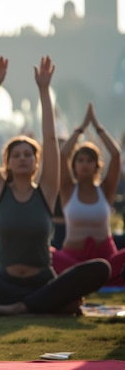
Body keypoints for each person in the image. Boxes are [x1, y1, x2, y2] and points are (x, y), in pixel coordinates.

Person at [0, 56, 111, 316]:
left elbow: (51, 138)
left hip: (42, 280)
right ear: (7, 163)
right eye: (16, 155)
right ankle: (42, 303)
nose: (22, 158)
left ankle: (20, 306)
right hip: (4, 283)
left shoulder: (46, 190)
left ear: (36, 162)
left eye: (28, 155)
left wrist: (44, 90)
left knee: (100, 268)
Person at [52, 103, 125, 285]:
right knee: (45, 255)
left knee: (107, 267)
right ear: (74, 165)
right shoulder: (68, 188)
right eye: (81, 160)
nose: (85, 164)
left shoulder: (105, 189)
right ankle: (89, 277)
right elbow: (63, 155)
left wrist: (98, 127)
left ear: (96, 165)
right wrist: (80, 129)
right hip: (72, 260)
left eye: (90, 160)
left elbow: (115, 155)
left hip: (105, 260)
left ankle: (96, 277)